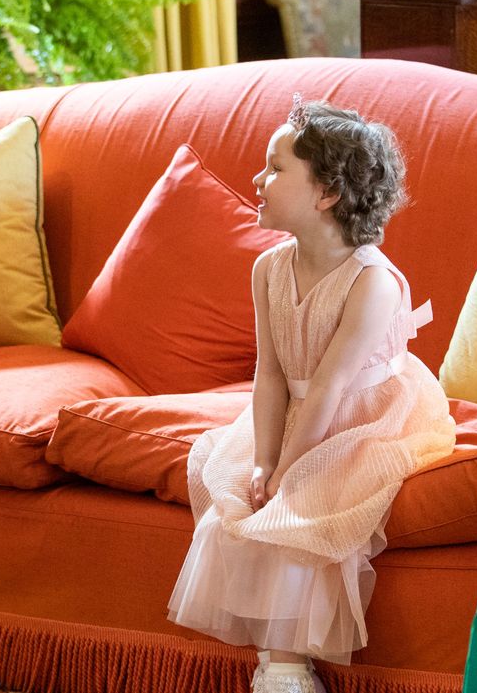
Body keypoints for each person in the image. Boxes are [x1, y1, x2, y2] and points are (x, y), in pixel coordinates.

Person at [167, 96, 456, 691]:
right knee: (237, 501)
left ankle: (285, 668)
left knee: (306, 509)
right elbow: (271, 373)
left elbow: (330, 388)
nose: (258, 178)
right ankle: (275, 662)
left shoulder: (372, 283)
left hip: (364, 414)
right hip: (299, 408)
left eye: (275, 167)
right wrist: (264, 460)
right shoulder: (268, 269)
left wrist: (287, 475)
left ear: (326, 194)